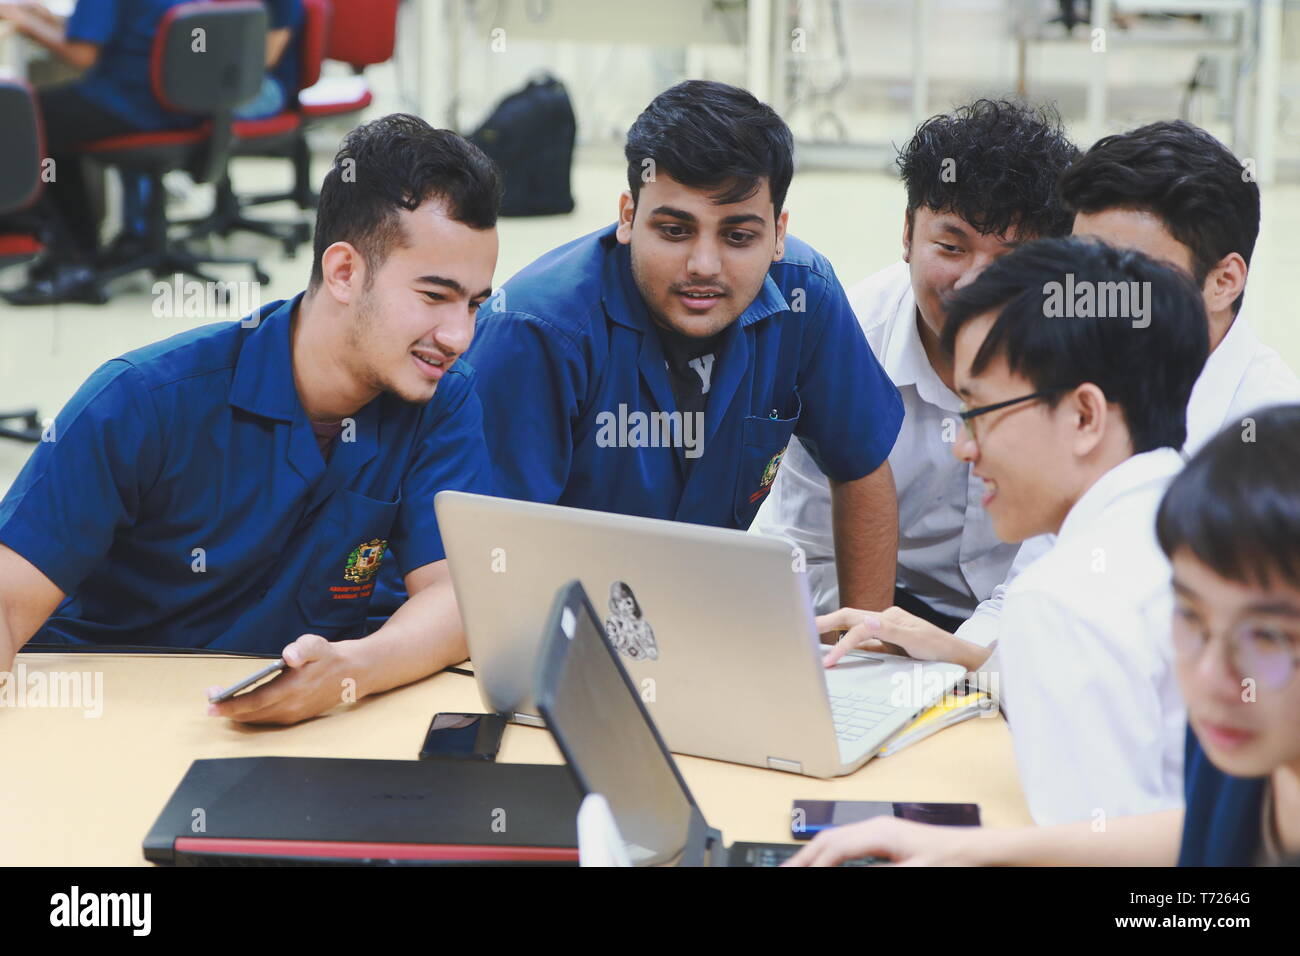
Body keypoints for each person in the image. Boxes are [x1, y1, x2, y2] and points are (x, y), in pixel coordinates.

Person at [0, 114, 500, 726]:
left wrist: (353, 671)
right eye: (434, 296)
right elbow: (6, 603)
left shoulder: (439, 400)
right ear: (344, 272)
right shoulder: (141, 401)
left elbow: (457, 598)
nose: (460, 336)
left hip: (300, 730)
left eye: (476, 303)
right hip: (111, 712)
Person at [788, 405, 1300, 866]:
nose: (1210, 676)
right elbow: (1202, 839)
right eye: (1190, 618)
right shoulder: (1252, 749)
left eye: (1268, 638)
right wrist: (965, 848)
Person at [463, 80, 904, 611]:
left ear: (779, 232)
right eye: (674, 230)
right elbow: (490, 558)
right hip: (558, 629)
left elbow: (860, 467)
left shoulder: (804, 295)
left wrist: (869, 648)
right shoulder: (535, 332)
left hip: (704, 618)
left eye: (738, 236)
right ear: (628, 216)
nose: (704, 266)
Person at [820, 237, 1208, 825]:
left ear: (1084, 416)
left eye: (980, 412)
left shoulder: (1063, 600)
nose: (965, 448)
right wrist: (964, 654)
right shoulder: (1204, 527)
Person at [753, 98, 1079, 633]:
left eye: (1012, 261)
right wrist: (878, 649)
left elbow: (1073, 552)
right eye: (951, 247)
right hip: (889, 609)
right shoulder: (845, 339)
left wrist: (965, 653)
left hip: (1033, 617)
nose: (974, 283)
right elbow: (807, 552)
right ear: (908, 233)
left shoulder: (1088, 357)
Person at [1062, 119, 1300, 454]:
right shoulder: (1058, 382)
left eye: (1131, 273)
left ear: (1224, 282)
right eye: (1079, 265)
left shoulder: (1274, 450)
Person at [0, 0, 196, 303]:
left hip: (130, 102)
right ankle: (79, 248)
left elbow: (82, 55)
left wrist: (23, 22)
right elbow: (106, 34)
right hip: (175, 102)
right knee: (49, 124)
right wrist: (46, 21)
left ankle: (70, 262)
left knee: (21, 121)